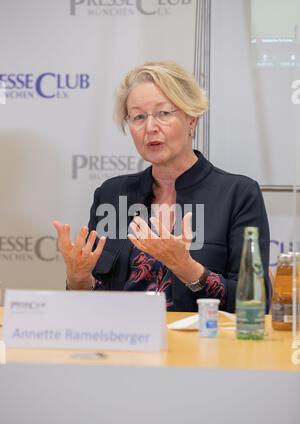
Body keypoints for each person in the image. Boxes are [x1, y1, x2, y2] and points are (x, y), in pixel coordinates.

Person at [53, 61, 271, 312]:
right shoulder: (112, 195)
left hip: (201, 347)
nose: (150, 128)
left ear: (192, 119)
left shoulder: (237, 194)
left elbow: (256, 305)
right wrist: (78, 279)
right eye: (138, 117)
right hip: (122, 345)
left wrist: (185, 267)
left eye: (163, 113)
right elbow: (92, 305)